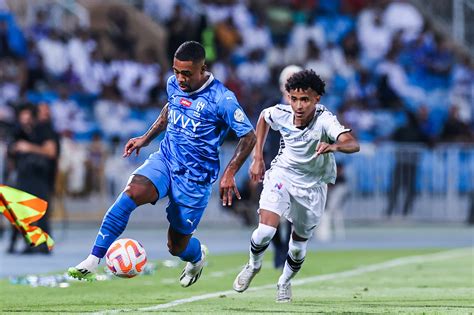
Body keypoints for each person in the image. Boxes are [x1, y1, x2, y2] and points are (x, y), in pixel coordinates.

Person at [68, 41, 256, 286]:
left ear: (202, 69)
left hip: (194, 179)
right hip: (166, 160)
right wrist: (145, 138)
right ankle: (93, 259)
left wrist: (230, 172)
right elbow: (170, 109)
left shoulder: (222, 99)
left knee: (176, 245)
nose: (179, 78)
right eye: (176, 71)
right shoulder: (173, 84)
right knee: (132, 192)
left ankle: (197, 258)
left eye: (186, 73)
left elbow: (249, 136)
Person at [232, 70, 359, 302]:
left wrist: (334, 147)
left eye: (305, 100)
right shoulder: (280, 112)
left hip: (313, 186)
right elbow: (263, 118)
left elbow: (352, 142)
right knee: (265, 232)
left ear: (316, 99)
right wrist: (257, 156)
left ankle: (284, 282)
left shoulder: (325, 120)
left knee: (298, 246)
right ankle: (253, 265)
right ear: (288, 97)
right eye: (294, 99)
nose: (298, 105)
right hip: (283, 174)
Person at [7, 104, 58, 254]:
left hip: (41, 175)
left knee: (41, 209)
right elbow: (11, 153)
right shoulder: (17, 131)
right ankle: (23, 242)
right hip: (23, 174)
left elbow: (51, 151)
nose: (25, 119)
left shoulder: (44, 130)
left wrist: (28, 147)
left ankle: (44, 244)